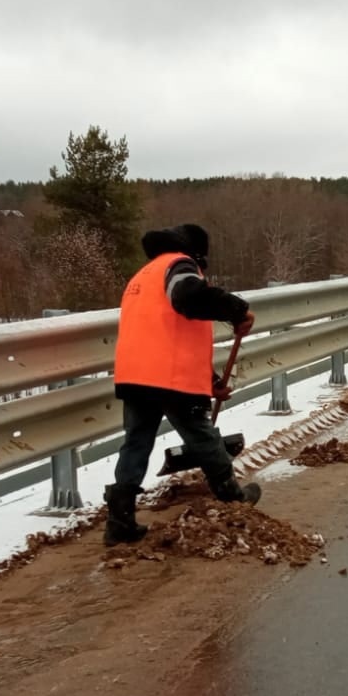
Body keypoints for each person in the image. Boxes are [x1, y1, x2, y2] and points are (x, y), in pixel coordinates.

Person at [105, 224, 261, 547]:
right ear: (198, 255)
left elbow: (167, 336)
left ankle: (119, 522)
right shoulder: (180, 265)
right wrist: (236, 310)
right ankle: (232, 496)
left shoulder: (143, 275)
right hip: (167, 379)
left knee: (135, 444)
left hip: (135, 376)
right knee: (202, 436)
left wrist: (211, 382)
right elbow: (188, 298)